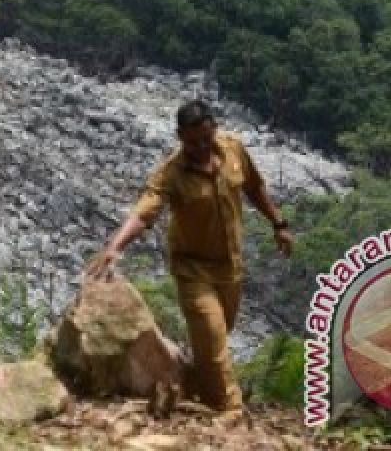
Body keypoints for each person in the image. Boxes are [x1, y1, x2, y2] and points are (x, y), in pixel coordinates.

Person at [84, 99, 295, 415]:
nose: (201, 147)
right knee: (211, 334)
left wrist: (279, 224)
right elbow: (145, 211)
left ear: (215, 129)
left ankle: (196, 389)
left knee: (218, 337)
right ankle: (231, 409)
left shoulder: (233, 150)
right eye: (193, 141)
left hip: (230, 266)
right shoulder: (171, 173)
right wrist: (116, 245)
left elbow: (254, 187)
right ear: (180, 137)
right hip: (192, 269)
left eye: (206, 139)